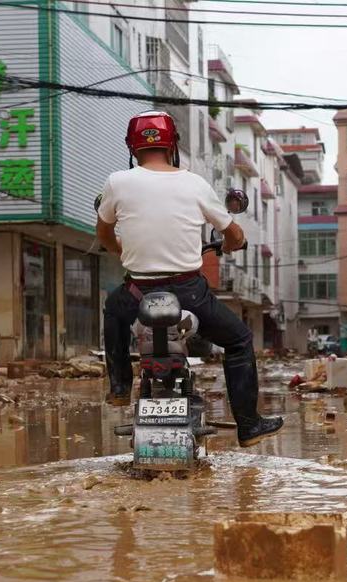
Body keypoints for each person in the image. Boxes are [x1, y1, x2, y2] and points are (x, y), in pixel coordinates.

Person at [96, 110, 283, 447]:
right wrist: (231, 243)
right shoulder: (194, 182)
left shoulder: (117, 182)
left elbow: (105, 232)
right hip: (188, 293)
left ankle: (121, 388)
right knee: (239, 340)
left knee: (113, 309)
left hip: (138, 293)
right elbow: (235, 233)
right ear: (173, 145)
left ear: (132, 147)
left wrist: (121, 250)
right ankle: (249, 425)